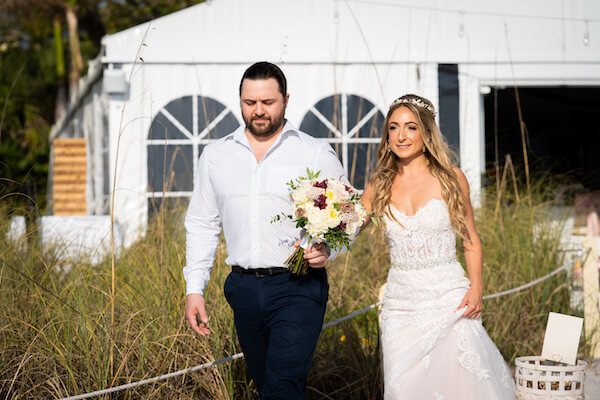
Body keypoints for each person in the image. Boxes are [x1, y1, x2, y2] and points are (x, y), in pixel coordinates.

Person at [183, 61, 345, 400]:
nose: (258, 111)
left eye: (267, 103)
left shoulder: (314, 152)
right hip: (242, 288)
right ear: (240, 100)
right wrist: (194, 288)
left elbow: (345, 215)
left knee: (281, 387)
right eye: (249, 102)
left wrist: (328, 248)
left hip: (298, 284)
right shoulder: (215, 156)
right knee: (270, 385)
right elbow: (202, 223)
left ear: (286, 99)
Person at [361, 94, 515, 399]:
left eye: (411, 127)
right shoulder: (379, 184)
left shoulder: (451, 178)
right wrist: (320, 218)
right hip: (400, 305)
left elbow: (470, 239)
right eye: (393, 128)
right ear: (387, 136)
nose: (401, 136)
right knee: (406, 389)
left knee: (461, 385)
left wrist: (476, 289)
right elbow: (349, 228)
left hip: (450, 299)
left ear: (427, 134)